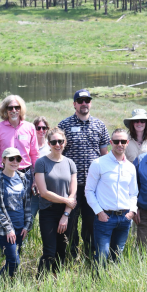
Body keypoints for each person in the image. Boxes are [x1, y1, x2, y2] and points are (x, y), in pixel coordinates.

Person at [59, 89, 110, 261]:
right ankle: (71, 256)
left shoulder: (99, 125)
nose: (84, 104)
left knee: (91, 223)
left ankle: (90, 256)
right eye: (80, 101)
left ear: (90, 103)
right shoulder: (64, 125)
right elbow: (59, 154)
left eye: (87, 100)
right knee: (71, 223)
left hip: (93, 186)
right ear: (74, 104)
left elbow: (104, 155)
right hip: (71, 186)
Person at [85, 128, 138, 266]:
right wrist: (99, 212)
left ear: (127, 143)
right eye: (116, 141)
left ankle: (114, 279)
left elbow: (133, 193)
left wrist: (132, 212)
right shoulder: (98, 163)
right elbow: (89, 191)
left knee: (118, 256)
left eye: (123, 141)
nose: (120, 144)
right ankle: (98, 279)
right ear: (111, 142)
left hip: (124, 217)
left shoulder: (131, 167)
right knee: (102, 255)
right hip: (105, 217)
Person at [34, 127, 78, 276]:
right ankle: (41, 281)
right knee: (49, 251)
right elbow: (44, 192)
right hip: (48, 212)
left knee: (62, 250)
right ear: (49, 144)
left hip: (66, 212)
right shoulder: (41, 163)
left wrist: (66, 214)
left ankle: (56, 280)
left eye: (60, 141)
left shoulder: (70, 163)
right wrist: (66, 200)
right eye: (54, 142)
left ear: (65, 142)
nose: (57, 144)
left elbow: (73, 193)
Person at [0, 147, 33, 280]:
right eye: (11, 159)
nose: (15, 162)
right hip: (5, 230)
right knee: (14, 261)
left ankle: (8, 285)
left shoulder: (23, 178)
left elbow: (27, 203)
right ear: (3, 160)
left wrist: (27, 225)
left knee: (13, 261)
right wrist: (8, 229)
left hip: (20, 227)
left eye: (18, 159)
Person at [0, 95, 37, 179]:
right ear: (5, 110)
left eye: (17, 107)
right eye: (10, 108)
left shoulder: (30, 127)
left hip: (26, 174)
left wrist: (36, 177)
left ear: (21, 109)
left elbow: (35, 155)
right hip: (4, 174)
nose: (14, 110)